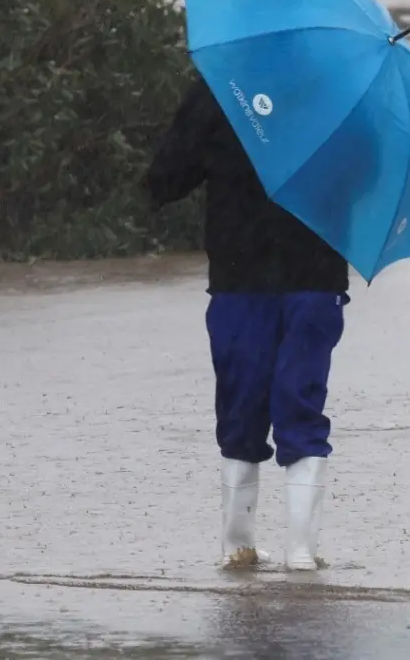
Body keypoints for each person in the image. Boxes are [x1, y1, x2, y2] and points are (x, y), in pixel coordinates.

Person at [145, 75, 350, 572]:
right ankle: (301, 554)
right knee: (302, 403)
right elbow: (366, 176)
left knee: (240, 406)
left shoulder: (220, 86)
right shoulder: (337, 88)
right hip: (315, 274)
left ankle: (236, 547)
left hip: (240, 276)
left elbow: (164, 181)